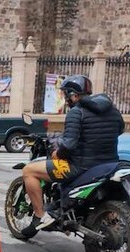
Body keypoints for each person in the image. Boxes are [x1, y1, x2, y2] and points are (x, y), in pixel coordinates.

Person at [20, 74, 124, 237]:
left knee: (29, 171)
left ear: (73, 95)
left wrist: (57, 152)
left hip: (80, 166)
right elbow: (119, 130)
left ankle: (40, 216)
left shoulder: (77, 112)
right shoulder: (113, 110)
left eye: (65, 94)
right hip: (109, 164)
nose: (65, 98)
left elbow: (68, 145)